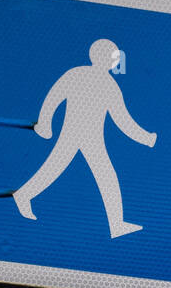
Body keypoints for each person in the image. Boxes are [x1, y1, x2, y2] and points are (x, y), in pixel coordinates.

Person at [12, 38, 156, 237]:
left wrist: (145, 137)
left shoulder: (107, 84)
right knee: (68, 170)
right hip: (75, 134)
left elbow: (122, 119)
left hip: (91, 138)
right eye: (113, 56)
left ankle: (116, 224)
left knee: (89, 173)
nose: (115, 60)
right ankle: (116, 224)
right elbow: (54, 97)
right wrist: (45, 123)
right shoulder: (80, 75)